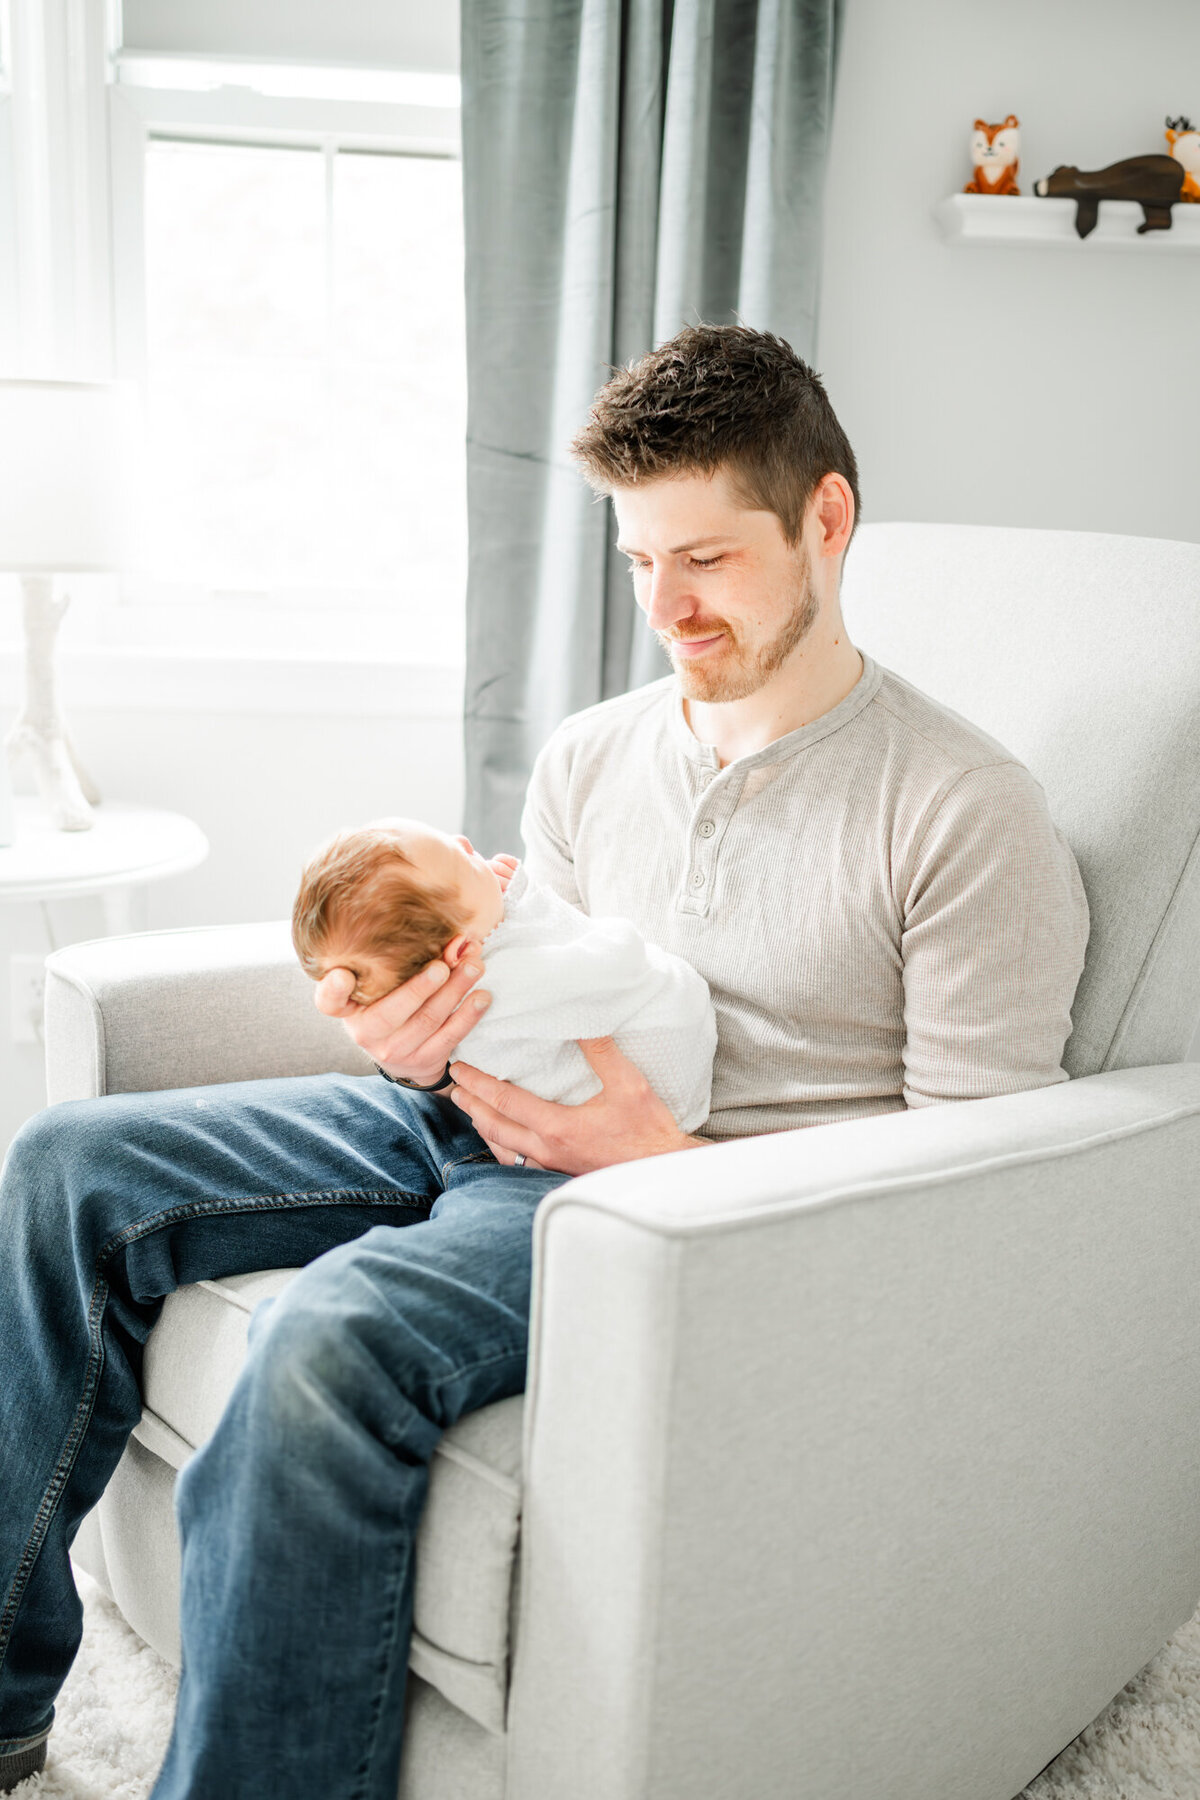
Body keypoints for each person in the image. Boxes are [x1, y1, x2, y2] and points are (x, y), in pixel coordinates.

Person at [0, 323, 1089, 1799]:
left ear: (825, 520)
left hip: (671, 1201)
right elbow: (515, 969)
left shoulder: (963, 809)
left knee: (330, 1343)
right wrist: (409, 1046)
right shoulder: (590, 754)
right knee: (70, 1163)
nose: (668, 606)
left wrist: (667, 1168)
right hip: (473, 1121)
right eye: (641, 563)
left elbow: (988, 1199)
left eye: (705, 558)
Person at [291, 816, 716, 1127]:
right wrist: (418, 1071)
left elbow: (534, 935)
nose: (463, 839)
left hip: (626, 1133)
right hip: (500, 1119)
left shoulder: (480, 964)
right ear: (461, 949)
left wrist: (522, 897)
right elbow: (611, 958)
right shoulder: (500, 984)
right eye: (463, 859)